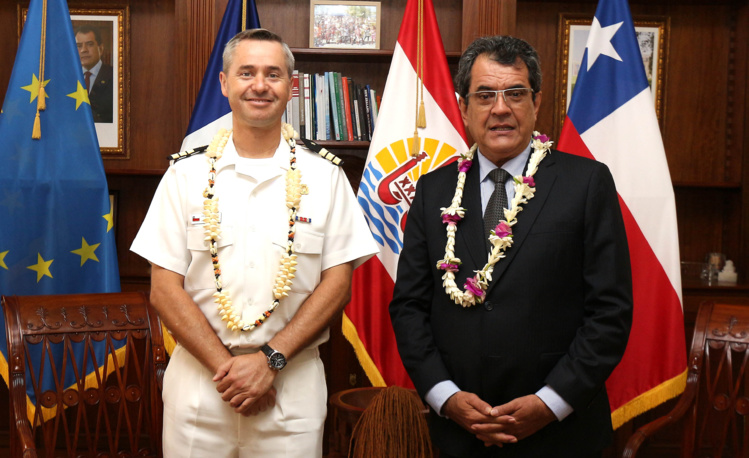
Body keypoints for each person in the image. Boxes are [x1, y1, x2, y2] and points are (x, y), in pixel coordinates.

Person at [131, 28, 378, 457]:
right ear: (225, 84)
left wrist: (269, 362)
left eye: (273, 74)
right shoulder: (185, 175)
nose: (260, 85)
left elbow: (338, 282)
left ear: (291, 87)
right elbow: (163, 288)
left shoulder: (326, 176)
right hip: (199, 385)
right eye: (246, 73)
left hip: (292, 386)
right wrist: (229, 370)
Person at [389, 35, 633, 458]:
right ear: (463, 107)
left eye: (515, 93)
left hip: (561, 434)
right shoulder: (433, 191)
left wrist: (550, 403)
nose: (500, 108)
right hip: (459, 433)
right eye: (485, 95)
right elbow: (409, 307)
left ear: (536, 103)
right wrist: (445, 397)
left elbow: (610, 312)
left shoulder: (587, 183)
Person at [75, 25, 113, 123]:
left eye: (90, 44)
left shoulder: (115, 76)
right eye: (79, 46)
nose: (84, 50)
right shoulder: (68, 78)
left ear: (100, 48)